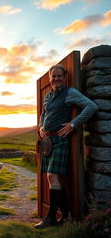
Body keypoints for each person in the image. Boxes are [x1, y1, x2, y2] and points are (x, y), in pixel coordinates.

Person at [34, 64, 98, 229]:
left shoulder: (70, 93)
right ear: (50, 78)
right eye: (53, 76)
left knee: (52, 176)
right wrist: (41, 127)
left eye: (59, 76)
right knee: (51, 177)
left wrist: (73, 124)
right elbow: (43, 113)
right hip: (48, 142)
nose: (56, 79)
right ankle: (65, 216)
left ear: (64, 77)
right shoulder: (48, 96)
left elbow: (91, 106)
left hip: (60, 140)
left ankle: (51, 218)